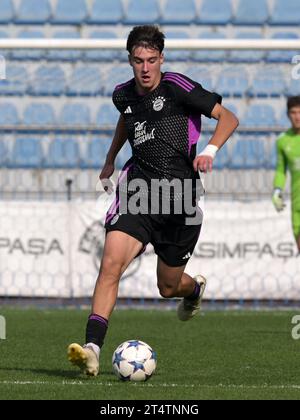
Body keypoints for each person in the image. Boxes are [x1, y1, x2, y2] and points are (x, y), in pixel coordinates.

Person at [68, 25, 239, 376]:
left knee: (168, 286)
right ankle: (92, 348)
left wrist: (209, 150)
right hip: (139, 193)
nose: (145, 68)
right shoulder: (123, 95)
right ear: (129, 60)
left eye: (151, 60)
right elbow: (126, 120)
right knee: (111, 264)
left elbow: (229, 117)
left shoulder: (178, 87)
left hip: (181, 199)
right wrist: (110, 158)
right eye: (137, 61)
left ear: (161, 58)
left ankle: (192, 290)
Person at [272, 96, 300, 254]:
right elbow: (281, 169)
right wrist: (277, 190)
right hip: (297, 204)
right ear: (288, 115)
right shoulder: (283, 141)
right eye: (293, 112)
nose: (297, 117)